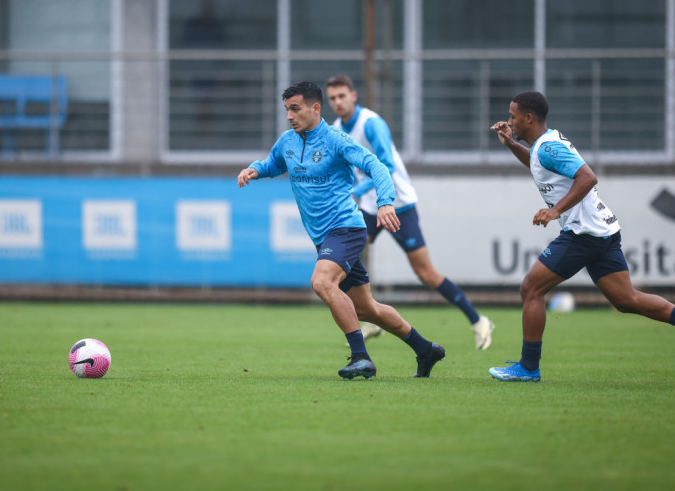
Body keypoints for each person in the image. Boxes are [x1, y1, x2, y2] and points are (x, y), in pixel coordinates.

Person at [238, 81, 446, 380]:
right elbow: (274, 163)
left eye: (295, 109)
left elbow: (378, 166)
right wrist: (255, 169)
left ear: (315, 108)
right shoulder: (288, 141)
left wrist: (385, 203)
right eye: (287, 110)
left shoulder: (336, 140)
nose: (289, 116)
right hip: (324, 237)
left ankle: (361, 357)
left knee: (322, 282)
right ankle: (425, 349)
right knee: (366, 309)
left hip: (346, 228)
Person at [489, 91, 675, 382]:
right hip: (602, 231)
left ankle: (528, 368)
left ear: (529, 117)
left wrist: (555, 211)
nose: (509, 121)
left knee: (531, 288)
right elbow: (538, 165)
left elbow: (588, 177)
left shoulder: (548, 147)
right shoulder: (543, 147)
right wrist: (511, 144)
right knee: (627, 300)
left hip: (583, 232)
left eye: (513, 117)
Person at [325, 74, 495, 349]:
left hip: (397, 203)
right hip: (370, 205)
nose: (338, 102)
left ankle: (478, 321)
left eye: (342, 96)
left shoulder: (371, 123)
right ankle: (369, 316)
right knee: (346, 255)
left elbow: (387, 166)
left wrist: (356, 190)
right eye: (333, 98)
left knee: (426, 273)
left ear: (353, 96)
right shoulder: (335, 128)